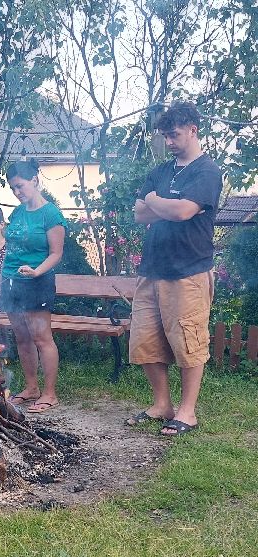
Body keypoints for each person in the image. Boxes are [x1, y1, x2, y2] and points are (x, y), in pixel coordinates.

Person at [128, 102, 222, 436]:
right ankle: (162, 405)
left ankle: (187, 412)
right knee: (145, 340)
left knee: (188, 342)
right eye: (165, 136)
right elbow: (138, 214)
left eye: (174, 135)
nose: (169, 141)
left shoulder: (207, 171)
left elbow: (182, 212)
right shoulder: (161, 171)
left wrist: (156, 201)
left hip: (188, 270)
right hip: (152, 269)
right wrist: (165, 206)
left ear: (193, 130)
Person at [0, 159, 67, 413]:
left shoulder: (51, 214)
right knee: (22, 337)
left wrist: (37, 270)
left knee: (41, 338)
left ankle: (50, 393)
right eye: (12, 188)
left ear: (35, 181)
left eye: (20, 186)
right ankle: (31, 388)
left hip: (37, 282)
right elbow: (9, 251)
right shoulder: (17, 213)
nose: (16, 192)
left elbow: (56, 253)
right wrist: (0, 283)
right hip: (12, 282)